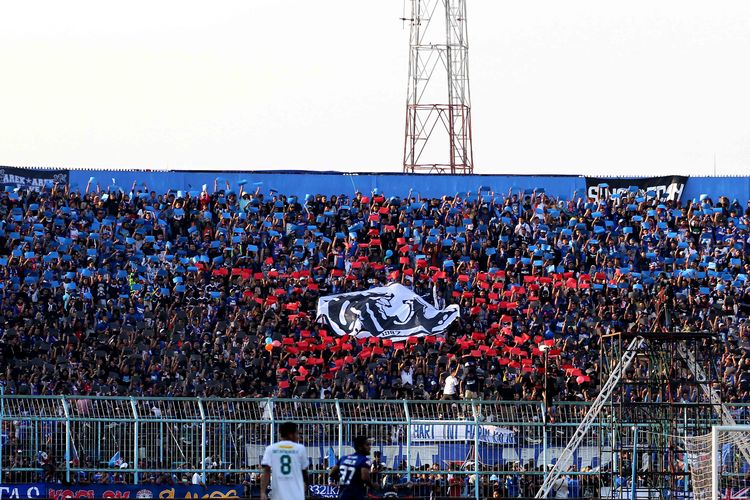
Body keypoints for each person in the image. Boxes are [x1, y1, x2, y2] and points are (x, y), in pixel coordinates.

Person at [260, 422, 309, 500]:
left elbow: (266, 471)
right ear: (290, 434)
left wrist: (262, 492)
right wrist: (306, 485)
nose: (298, 437)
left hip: (278, 494)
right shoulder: (300, 448)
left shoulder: (270, 449)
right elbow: (304, 471)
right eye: (296, 434)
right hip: (296, 493)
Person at [330, 435, 377, 500]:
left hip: (342, 495)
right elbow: (365, 477)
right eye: (367, 445)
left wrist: (343, 480)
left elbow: (332, 473)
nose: (370, 447)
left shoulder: (343, 458)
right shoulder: (364, 460)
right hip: (356, 495)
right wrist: (373, 485)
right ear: (360, 447)